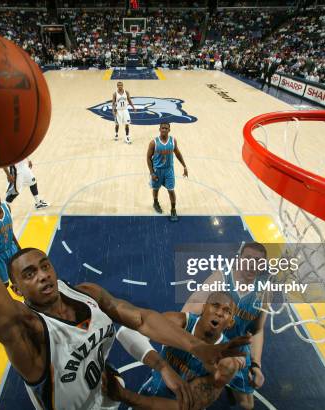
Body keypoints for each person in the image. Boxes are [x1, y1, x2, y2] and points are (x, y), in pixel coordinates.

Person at [0, 119, 250, 410]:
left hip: (108, 400)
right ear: (16, 289)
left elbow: (140, 319)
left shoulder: (87, 294)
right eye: (29, 274)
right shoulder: (25, 329)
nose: (43, 275)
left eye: (45, 265)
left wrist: (195, 348)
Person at [112, 292, 245, 409]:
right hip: (148, 393)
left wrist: (127, 396)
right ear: (204, 308)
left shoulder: (225, 361)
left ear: (230, 323)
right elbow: (125, 332)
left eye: (227, 311)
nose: (220, 313)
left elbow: (185, 406)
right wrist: (162, 366)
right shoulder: (180, 322)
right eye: (215, 305)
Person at [183, 242, 269, 410]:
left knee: (247, 405)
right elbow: (189, 311)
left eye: (258, 261)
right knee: (192, 398)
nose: (252, 264)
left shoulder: (264, 292)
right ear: (239, 259)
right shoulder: (221, 278)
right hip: (210, 344)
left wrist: (256, 364)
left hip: (237, 351)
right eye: (248, 258)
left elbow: (257, 330)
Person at [147, 122, 188, 222]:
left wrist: (184, 166)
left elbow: (177, 153)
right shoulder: (154, 142)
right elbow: (148, 158)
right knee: (156, 189)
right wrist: (152, 173)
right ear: (159, 129)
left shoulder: (173, 141)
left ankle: (173, 209)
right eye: (163, 128)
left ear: (169, 130)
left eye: (166, 128)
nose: (164, 130)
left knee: (171, 190)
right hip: (157, 170)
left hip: (169, 170)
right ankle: (155, 202)